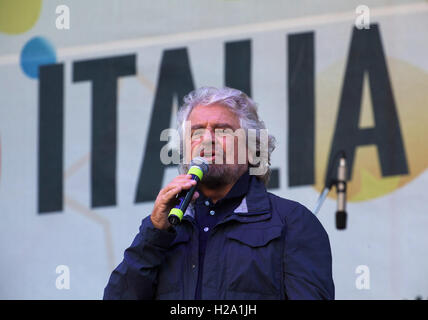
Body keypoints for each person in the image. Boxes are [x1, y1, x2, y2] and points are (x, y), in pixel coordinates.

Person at [103, 87, 334, 300]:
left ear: (252, 149)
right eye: (196, 133)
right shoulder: (164, 226)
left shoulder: (292, 222)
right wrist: (154, 233)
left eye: (223, 131)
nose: (207, 139)